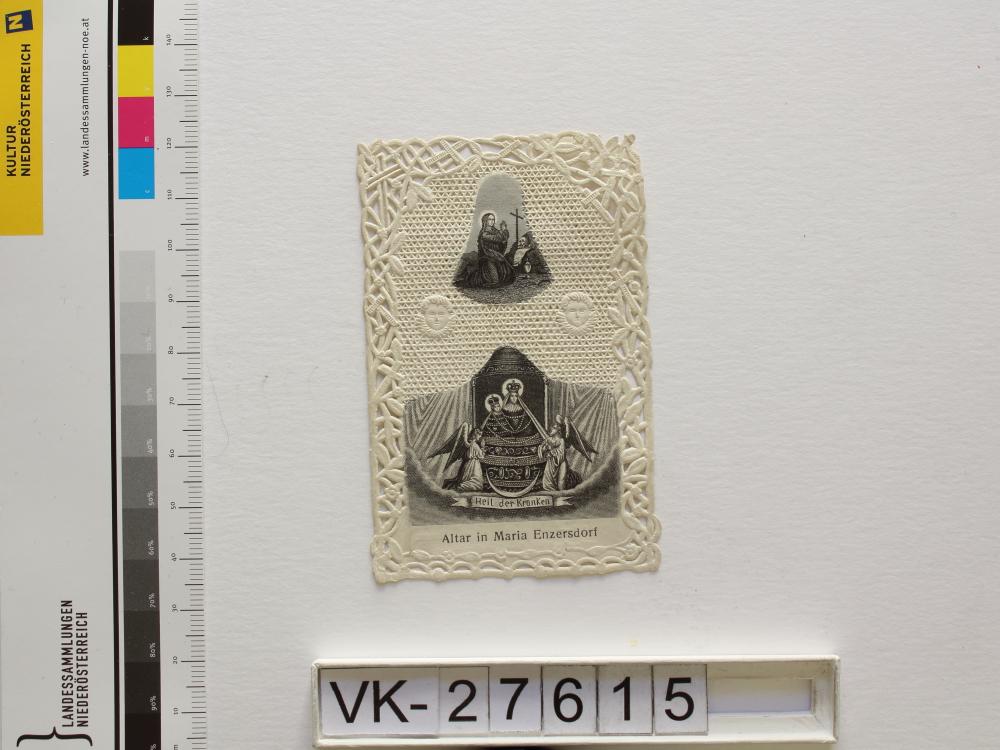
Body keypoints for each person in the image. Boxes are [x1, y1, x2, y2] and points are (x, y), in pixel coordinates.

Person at [475, 213, 514, 288]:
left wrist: (504, 235)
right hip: (487, 255)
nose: (492, 221)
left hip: (495, 254)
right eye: (490, 219)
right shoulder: (484, 233)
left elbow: (502, 240)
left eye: (493, 219)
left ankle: (499, 279)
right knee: (491, 262)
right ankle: (493, 280)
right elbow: (497, 238)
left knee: (507, 271)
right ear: (485, 221)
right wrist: (503, 230)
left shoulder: (495, 231)